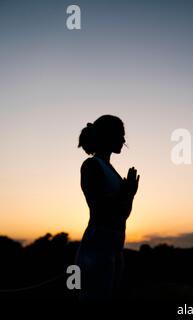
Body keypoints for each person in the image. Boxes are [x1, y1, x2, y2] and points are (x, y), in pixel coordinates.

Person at [76, 115, 140, 299]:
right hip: (96, 251)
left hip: (114, 250)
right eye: (120, 134)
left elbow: (123, 215)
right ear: (108, 135)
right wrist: (126, 193)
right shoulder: (91, 165)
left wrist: (130, 195)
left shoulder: (111, 170)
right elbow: (102, 211)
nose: (123, 140)